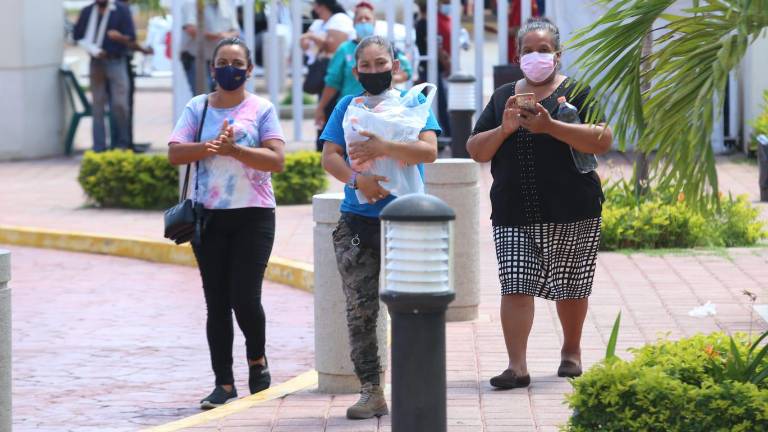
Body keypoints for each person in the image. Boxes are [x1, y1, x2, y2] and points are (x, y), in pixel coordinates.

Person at [466, 18, 612, 389]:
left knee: (572, 284)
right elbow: (476, 150)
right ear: (518, 56)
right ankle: (517, 367)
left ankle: (571, 352)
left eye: (543, 50)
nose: (536, 57)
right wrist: (505, 128)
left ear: (558, 56)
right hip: (514, 209)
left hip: (573, 206)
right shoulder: (503, 97)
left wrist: (551, 127)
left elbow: (602, 139)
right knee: (515, 284)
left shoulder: (578, 92)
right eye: (528, 50)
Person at [320, 35, 441, 420]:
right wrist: (359, 182)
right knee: (361, 310)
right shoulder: (346, 106)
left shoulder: (413, 103)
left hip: (408, 220)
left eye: (380, 63)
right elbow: (330, 157)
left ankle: (416, 385)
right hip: (359, 221)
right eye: (366, 66)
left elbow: (429, 151)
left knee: (413, 307)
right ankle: (371, 390)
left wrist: (384, 148)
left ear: (395, 65)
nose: (374, 71)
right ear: (356, 71)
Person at [167, 38, 286, 409]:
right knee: (216, 303)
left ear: (249, 70)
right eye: (222, 61)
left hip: (254, 215)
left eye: (237, 62)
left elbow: (276, 160)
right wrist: (210, 147)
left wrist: (236, 150)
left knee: (244, 298)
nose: (229, 68)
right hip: (209, 216)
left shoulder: (261, 108)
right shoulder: (197, 107)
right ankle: (224, 383)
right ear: (212, 68)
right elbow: (174, 152)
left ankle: (257, 359)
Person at [314, 2, 413, 135]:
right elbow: (333, 81)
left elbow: (407, 70)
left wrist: (387, 78)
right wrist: (321, 108)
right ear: (353, 23)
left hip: (386, 109)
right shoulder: (345, 49)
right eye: (360, 19)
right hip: (354, 113)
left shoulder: (387, 47)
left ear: (374, 22)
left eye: (367, 18)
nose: (364, 22)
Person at [73, 0, 136, 152]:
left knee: (120, 104)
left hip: (116, 60)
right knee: (98, 106)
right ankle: (99, 147)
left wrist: (119, 37)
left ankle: (122, 144)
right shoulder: (88, 11)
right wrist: (90, 47)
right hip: (96, 62)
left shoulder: (120, 10)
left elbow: (131, 37)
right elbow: (77, 35)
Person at [300, 0, 355, 151]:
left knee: (331, 109)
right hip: (323, 71)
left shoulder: (340, 19)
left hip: (334, 72)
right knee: (324, 110)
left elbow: (333, 46)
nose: (315, 9)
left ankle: (332, 148)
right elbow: (303, 43)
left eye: (317, 5)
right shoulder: (320, 23)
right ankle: (323, 147)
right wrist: (317, 39)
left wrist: (313, 37)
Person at [179, 0, 241, 94]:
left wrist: (225, 36)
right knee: (203, 97)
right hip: (196, 59)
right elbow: (190, 29)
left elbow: (236, 31)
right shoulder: (192, 4)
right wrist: (214, 36)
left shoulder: (226, 5)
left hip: (219, 61)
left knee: (220, 97)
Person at [415, 0, 451, 137]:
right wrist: (446, 62)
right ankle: (446, 135)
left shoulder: (421, 23)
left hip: (426, 69)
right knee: (439, 103)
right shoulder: (425, 24)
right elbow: (436, 47)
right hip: (430, 70)